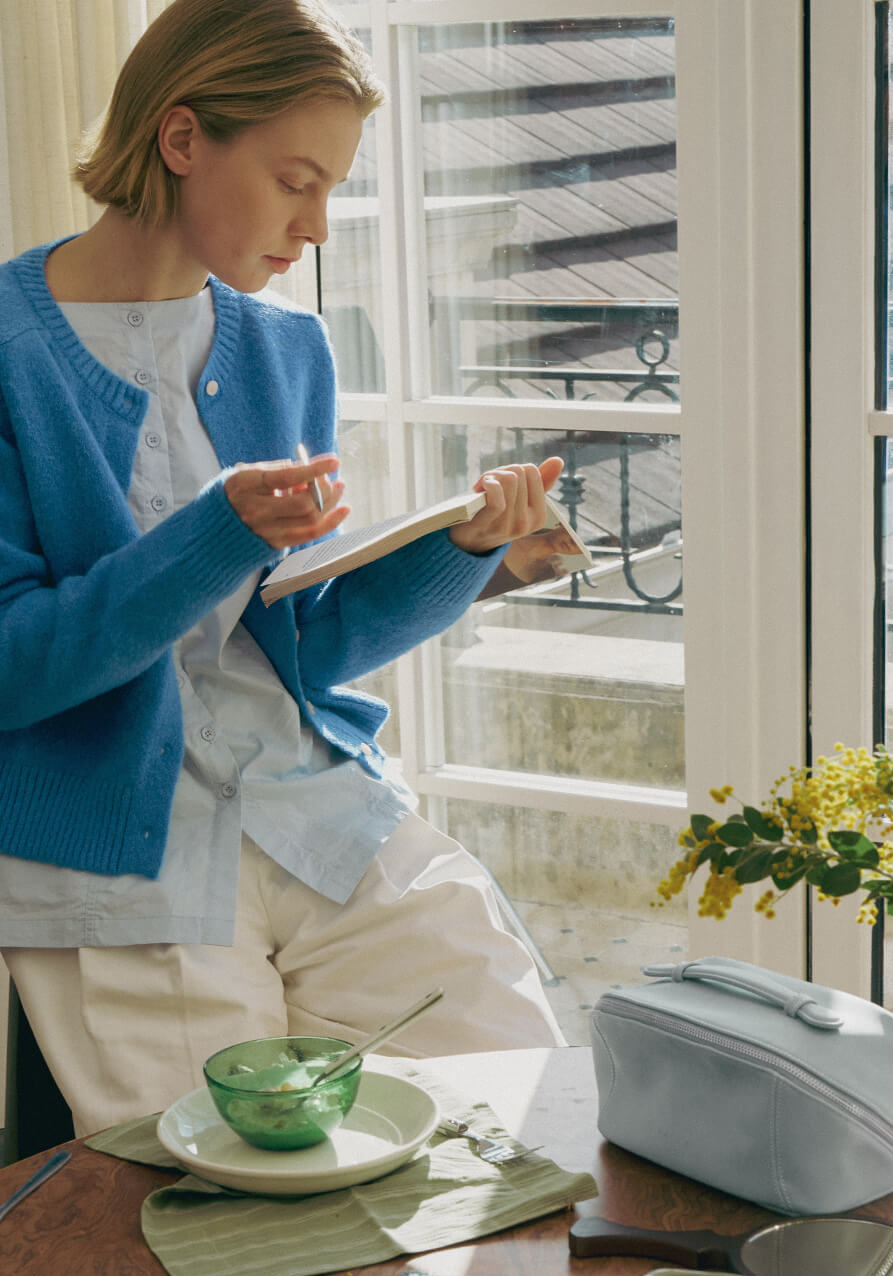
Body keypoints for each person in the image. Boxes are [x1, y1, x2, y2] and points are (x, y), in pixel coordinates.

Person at [0, 0, 570, 1136]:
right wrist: (215, 534)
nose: (316, 227)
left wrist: (463, 559)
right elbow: (17, 667)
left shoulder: (283, 346)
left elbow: (296, 638)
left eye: (334, 189)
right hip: (121, 861)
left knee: (513, 1110)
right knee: (243, 1204)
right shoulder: (11, 353)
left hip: (312, 807)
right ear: (180, 140)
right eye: (294, 180)